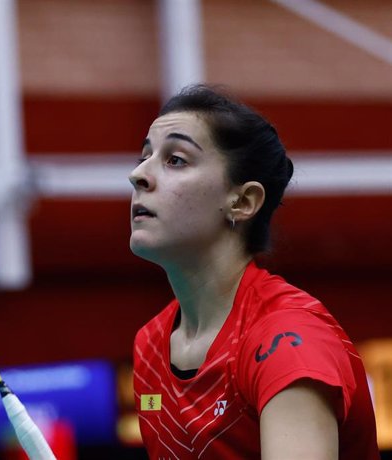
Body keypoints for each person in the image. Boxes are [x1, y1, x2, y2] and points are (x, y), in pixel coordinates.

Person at [129, 85, 379, 459]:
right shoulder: (150, 347)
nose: (138, 175)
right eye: (145, 156)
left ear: (243, 202)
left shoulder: (288, 342)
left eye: (175, 159)